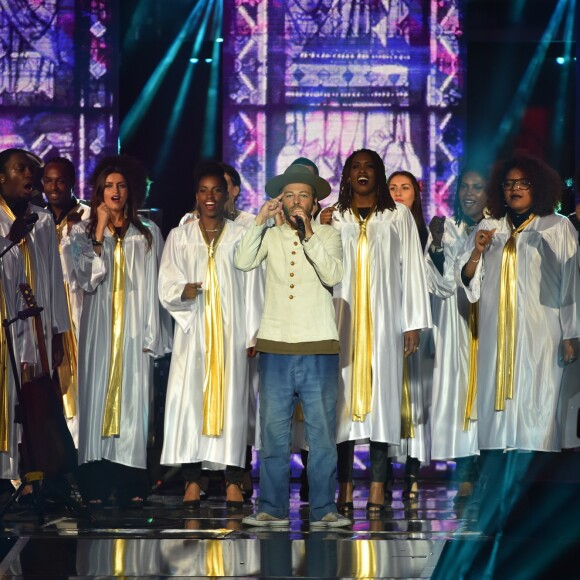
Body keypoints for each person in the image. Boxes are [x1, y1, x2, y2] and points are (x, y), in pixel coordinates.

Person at [457, 152, 580, 528]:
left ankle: (533, 506)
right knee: (498, 418)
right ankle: (498, 505)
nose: (514, 190)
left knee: (537, 413)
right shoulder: (490, 228)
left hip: (541, 335)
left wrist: (572, 332)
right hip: (498, 336)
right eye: (509, 184)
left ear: (537, 187)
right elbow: (467, 282)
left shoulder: (556, 226)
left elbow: (573, 281)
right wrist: (477, 251)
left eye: (522, 183)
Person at [235, 163, 349, 527]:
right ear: (279, 201)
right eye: (289, 195)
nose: (296, 201)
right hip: (276, 345)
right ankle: (271, 507)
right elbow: (241, 260)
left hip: (318, 346)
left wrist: (309, 233)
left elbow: (333, 274)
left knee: (321, 434)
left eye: (303, 195)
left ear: (315, 202)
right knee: (273, 433)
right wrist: (258, 220)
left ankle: (323, 509)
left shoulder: (328, 235)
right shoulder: (270, 235)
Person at [319, 149, 431, 514]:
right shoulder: (332, 216)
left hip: (385, 320)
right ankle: (346, 485)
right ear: (347, 175)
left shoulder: (397, 216)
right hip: (341, 320)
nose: (362, 172)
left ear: (379, 174)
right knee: (342, 402)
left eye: (369, 166)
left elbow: (412, 269)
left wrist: (412, 321)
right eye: (356, 166)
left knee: (383, 402)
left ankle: (380, 486)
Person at [158, 162, 261, 509]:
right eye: (203, 190)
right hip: (195, 334)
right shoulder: (180, 235)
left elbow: (252, 287)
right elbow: (165, 282)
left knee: (233, 407)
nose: (210, 197)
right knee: (190, 407)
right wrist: (182, 291)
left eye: (216, 190)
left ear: (227, 194)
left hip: (231, 334)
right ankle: (192, 480)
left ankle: (233, 480)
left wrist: (252, 334)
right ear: (196, 196)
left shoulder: (240, 235)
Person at [71, 155, 166, 507]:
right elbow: (87, 278)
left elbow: (155, 288)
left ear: (131, 191)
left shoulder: (148, 233)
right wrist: (97, 228)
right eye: (109, 185)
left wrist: (153, 335)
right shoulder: (82, 233)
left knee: (133, 403)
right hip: (98, 330)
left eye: (121, 185)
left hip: (132, 331)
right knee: (95, 401)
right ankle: (95, 482)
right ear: (99, 191)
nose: (115, 191)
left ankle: (131, 482)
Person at [426, 165, 488, 504]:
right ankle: (465, 473)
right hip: (458, 322)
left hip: (491, 322)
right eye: (464, 186)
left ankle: (489, 469)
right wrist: (436, 247)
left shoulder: (501, 229)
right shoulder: (447, 229)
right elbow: (444, 285)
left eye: (477, 186)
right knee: (462, 394)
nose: (469, 193)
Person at [0, 149, 69, 379]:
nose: (29, 173)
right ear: (2, 177)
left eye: (31, 169)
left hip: (40, 327)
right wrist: (11, 239)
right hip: (7, 329)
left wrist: (58, 332)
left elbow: (54, 276)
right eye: (20, 169)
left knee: (37, 401)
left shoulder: (43, 220)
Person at [386, 170, 432, 501]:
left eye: (405, 188)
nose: (399, 193)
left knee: (414, 396)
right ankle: (384, 468)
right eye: (392, 188)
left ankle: (412, 470)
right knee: (388, 395)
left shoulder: (427, 232)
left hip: (416, 320)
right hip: (388, 322)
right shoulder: (383, 227)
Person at [42, 157, 90, 446]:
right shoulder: (36, 217)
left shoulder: (87, 215)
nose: (54, 186)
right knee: (52, 382)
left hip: (78, 307)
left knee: (79, 383)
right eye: (48, 180)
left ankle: (79, 455)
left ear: (72, 181)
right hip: (47, 309)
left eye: (60, 180)